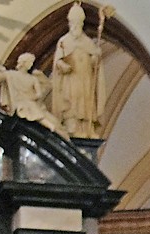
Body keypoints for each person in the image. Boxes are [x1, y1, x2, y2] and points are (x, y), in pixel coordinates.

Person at [51, 2, 104, 138]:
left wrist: (95, 58)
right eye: (73, 24)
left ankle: (87, 128)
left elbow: (94, 63)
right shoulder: (64, 41)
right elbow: (58, 61)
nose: (75, 27)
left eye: (78, 24)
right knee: (72, 105)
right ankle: (73, 128)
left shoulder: (88, 42)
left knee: (86, 104)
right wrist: (62, 66)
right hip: (71, 79)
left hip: (85, 79)